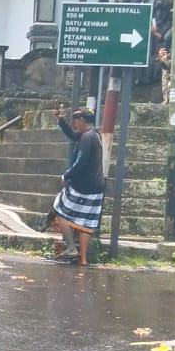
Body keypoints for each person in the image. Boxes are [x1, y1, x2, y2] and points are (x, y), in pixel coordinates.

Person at [52, 109, 105, 266]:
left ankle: (70, 248)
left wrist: (66, 175)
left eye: (76, 122)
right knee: (86, 224)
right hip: (96, 187)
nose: (75, 125)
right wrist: (62, 121)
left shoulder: (87, 138)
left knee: (59, 209)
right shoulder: (93, 134)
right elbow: (73, 135)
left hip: (83, 186)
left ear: (82, 120)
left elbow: (80, 162)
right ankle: (83, 259)